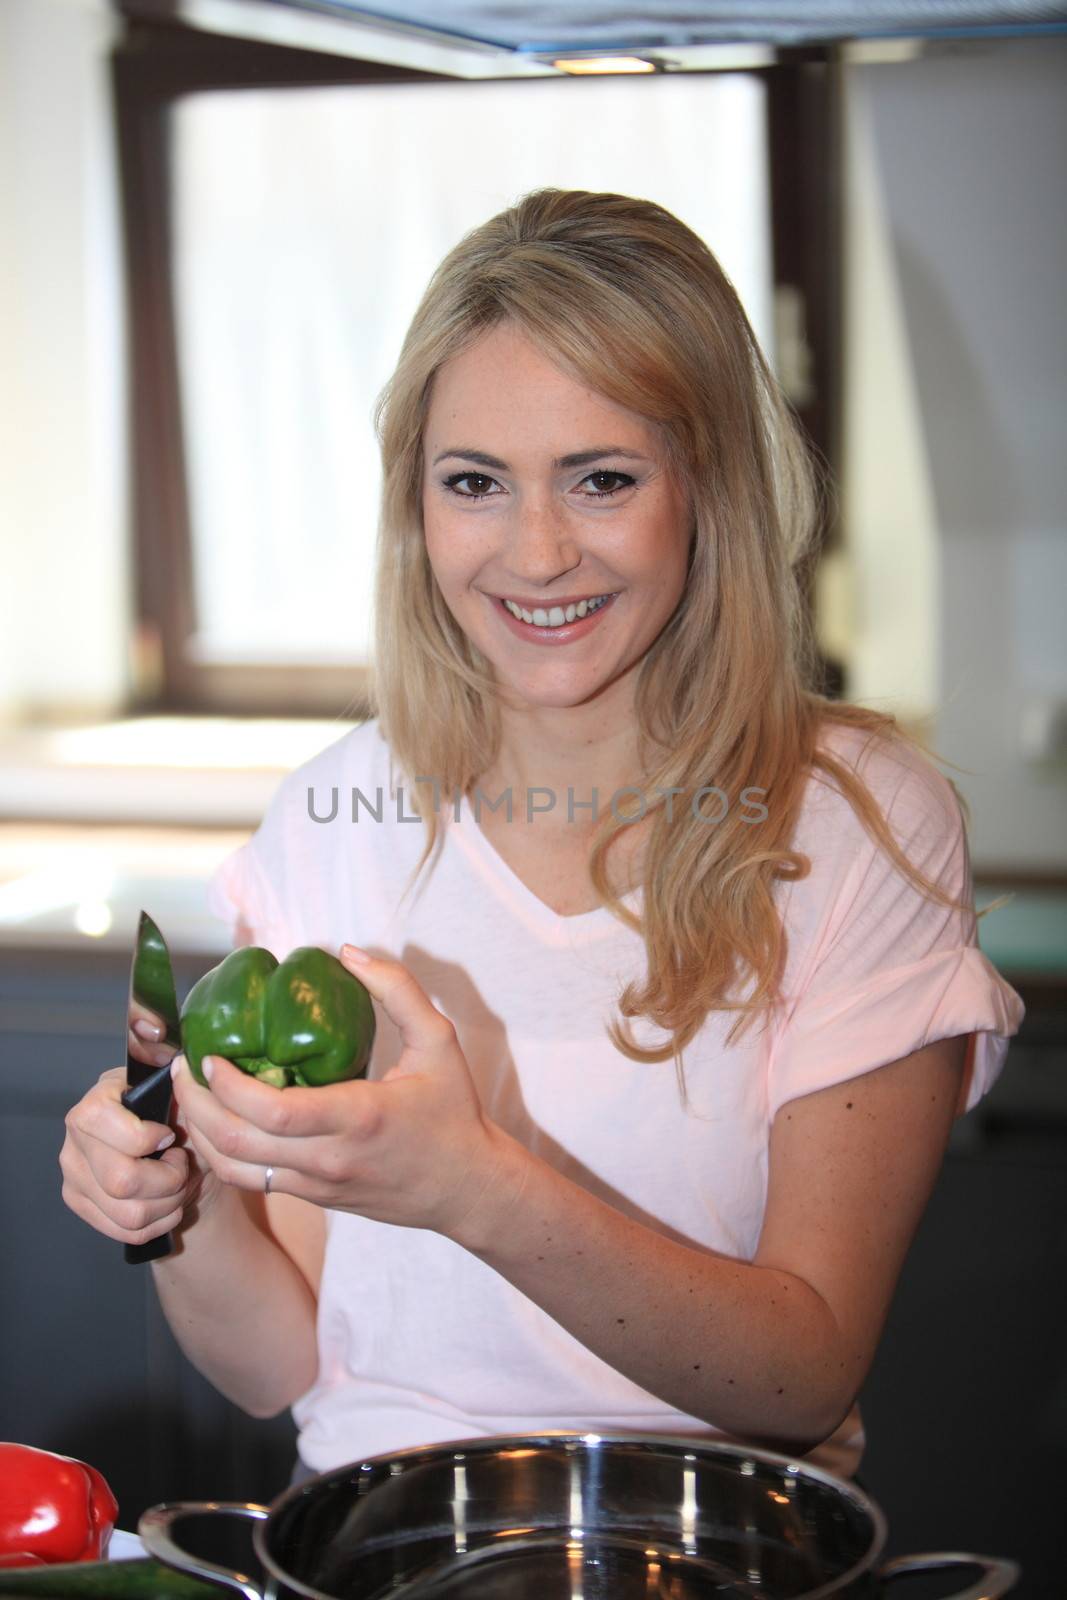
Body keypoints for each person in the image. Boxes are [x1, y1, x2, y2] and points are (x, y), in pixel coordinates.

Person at [59, 187, 1025, 1488]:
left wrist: (472, 1186)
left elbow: (803, 1378)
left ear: (709, 488)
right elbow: (283, 1367)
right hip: (387, 1539)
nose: (537, 552)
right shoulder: (337, 817)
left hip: (705, 1541)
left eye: (602, 479)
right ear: (418, 506)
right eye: (476, 483)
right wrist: (181, 1211)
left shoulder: (856, 818)